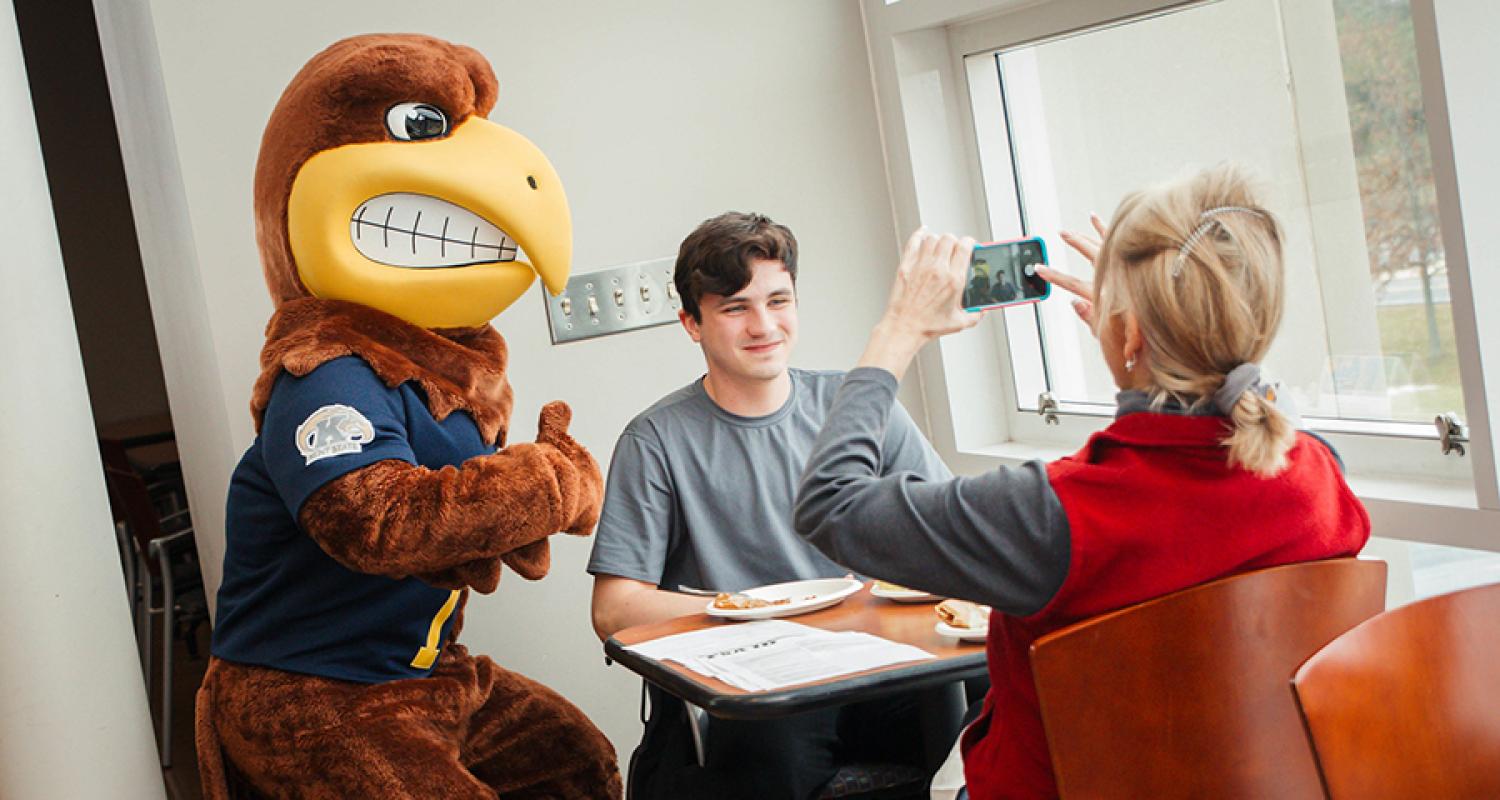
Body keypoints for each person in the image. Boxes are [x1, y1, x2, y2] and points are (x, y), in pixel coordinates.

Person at [793, 165, 1371, 799]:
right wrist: (1151, 335)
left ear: (1128, 334)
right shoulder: (1318, 473)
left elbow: (830, 504)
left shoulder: (1054, 514)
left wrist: (897, 331)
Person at [587, 211, 956, 800]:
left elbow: (948, 535)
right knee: (770, 742)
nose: (764, 325)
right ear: (692, 323)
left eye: (778, 300)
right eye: (735, 308)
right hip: (762, 689)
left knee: (996, 683)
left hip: (880, 670)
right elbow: (614, 609)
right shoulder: (654, 440)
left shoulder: (858, 405)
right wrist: (754, 612)